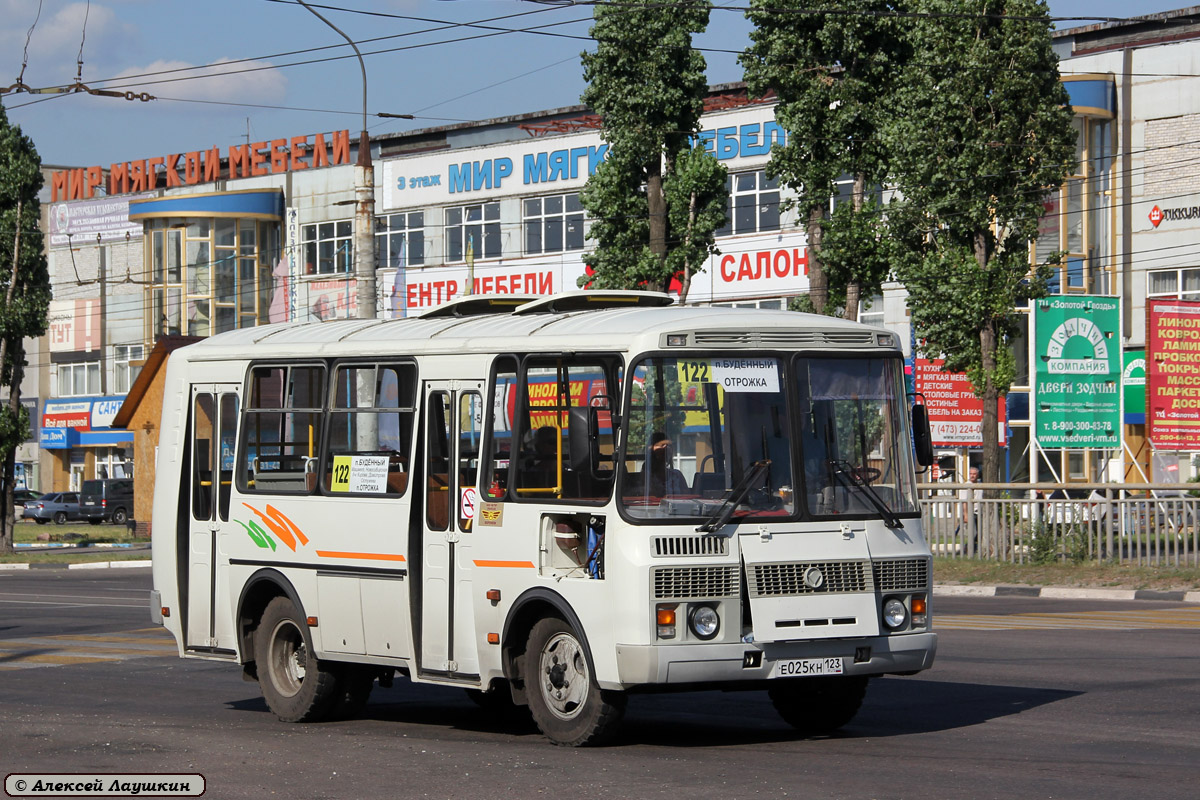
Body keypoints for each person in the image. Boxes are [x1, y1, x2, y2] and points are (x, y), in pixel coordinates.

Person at [645, 431, 689, 496]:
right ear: (650, 449)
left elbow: (687, 499)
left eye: (669, 446)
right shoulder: (646, 476)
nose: (666, 448)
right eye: (662, 445)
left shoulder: (677, 475)